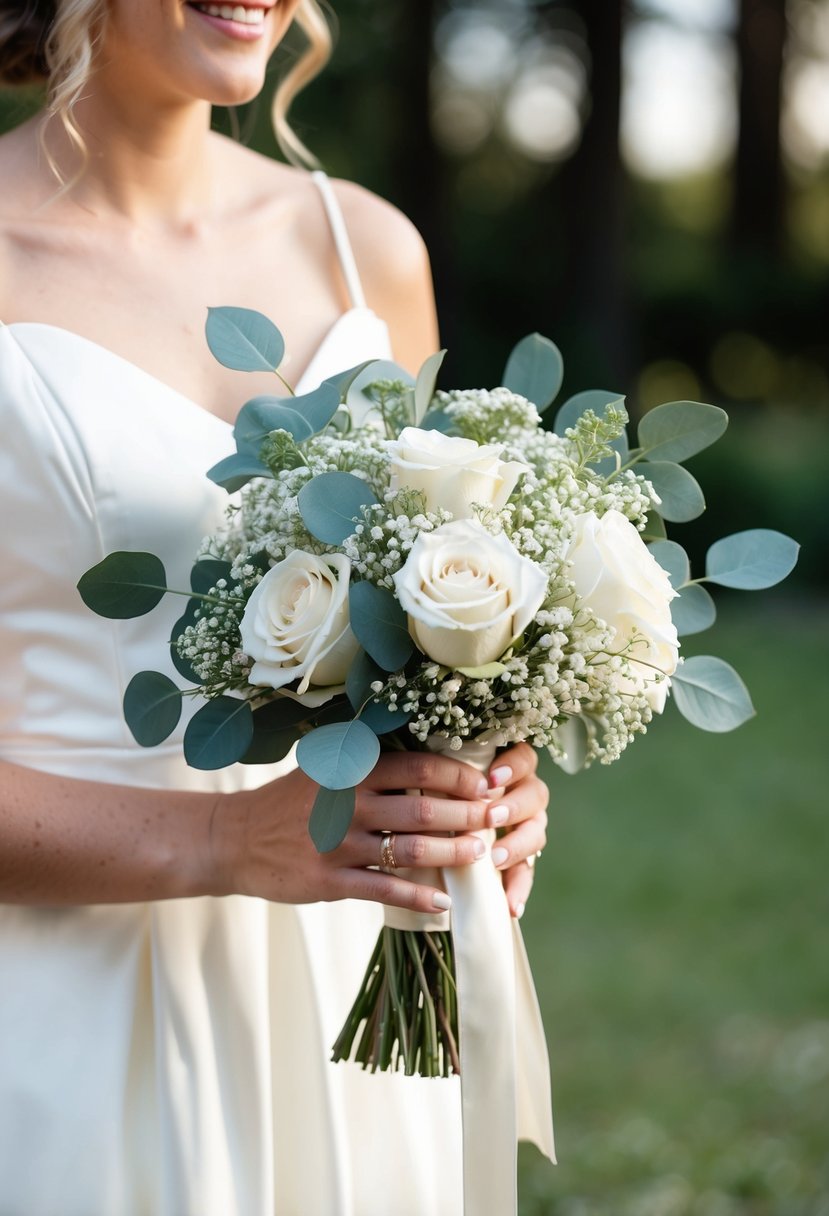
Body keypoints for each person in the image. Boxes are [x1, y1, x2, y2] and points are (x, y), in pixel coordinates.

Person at [0, 2, 549, 1212]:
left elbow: (416, 614)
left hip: (343, 974)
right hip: (54, 990)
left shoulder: (364, 249)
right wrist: (224, 839)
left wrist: (480, 766)